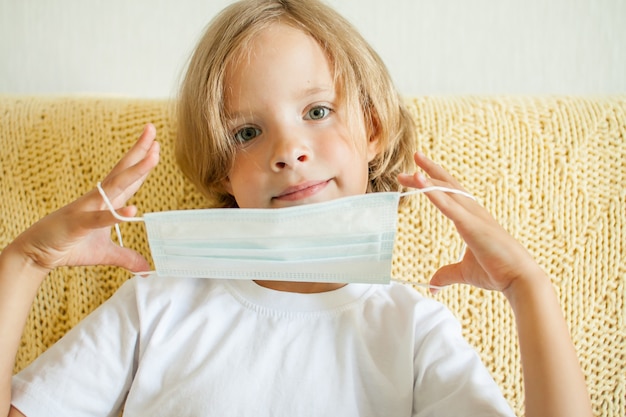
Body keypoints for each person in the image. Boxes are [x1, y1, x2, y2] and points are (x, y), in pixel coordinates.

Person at [0, 0, 592, 416]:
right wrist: (25, 261)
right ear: (223, 172)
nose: (288, 151)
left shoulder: (410, 328)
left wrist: (526, 285)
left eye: (316, 112)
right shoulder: (156, 306)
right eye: (247, 132)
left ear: (374, 127)